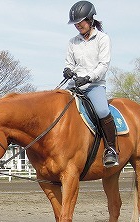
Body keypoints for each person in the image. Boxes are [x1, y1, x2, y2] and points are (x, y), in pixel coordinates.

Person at [63, 1, 118, 167]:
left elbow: (103, 65)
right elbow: (69, 63)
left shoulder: (103, 39)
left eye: (80, 22)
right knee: (58, 107)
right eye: (75, 24)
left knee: (102, 110)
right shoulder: (73, 42)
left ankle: (111, 149)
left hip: (94, 85)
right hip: (74, 85)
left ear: (90, 19)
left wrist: (88, 78)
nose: (78, 26)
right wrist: (67, 70)